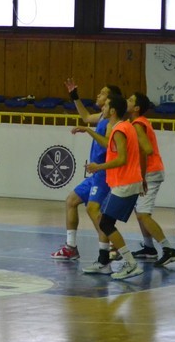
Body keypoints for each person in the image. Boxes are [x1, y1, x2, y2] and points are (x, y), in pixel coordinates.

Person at [51, 81, 122, 267]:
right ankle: (71, 247)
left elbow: (108, 144)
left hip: (104, 173)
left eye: (103, 93)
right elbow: (85, 116)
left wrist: (89, 131)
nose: (98, 95)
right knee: (71, 201)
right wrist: (75, 97)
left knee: (94, 211)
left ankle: (111, 247)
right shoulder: (103, 116)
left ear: (111, 100)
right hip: (96, 174)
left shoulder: (112, 123)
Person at [80, 94, 145, 280]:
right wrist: (88, 130)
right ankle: (104, 261)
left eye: (106, 105)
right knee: (103, 219)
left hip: (125, 183)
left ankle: (130, 263)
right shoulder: (124, 127)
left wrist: (98, 167)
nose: (103, 108)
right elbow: (111, 146)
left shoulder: (119, 130)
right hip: (124, 182)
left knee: (105, 223)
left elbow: (122, 159)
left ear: (113, 110)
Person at [127, 92, 175, 267]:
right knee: (139, 212)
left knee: (144, 214)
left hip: (149, 173)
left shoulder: (138, 124)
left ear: (136, 108)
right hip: (147, 172)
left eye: (130, 100)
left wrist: (141, 176)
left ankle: (168, 249)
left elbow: (146, 150)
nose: (127, 101)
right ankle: (149, 248)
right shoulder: (138, 122)